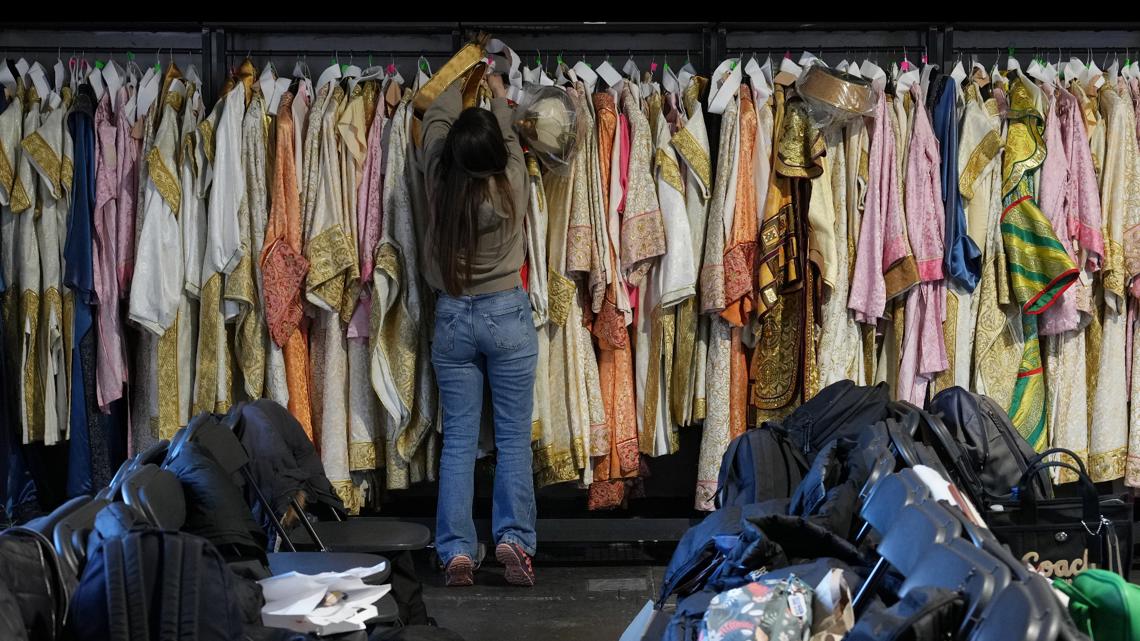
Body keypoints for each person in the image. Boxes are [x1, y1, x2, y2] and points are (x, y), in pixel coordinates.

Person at [421, 72, 538, 587]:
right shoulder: (513, 180)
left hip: (453, 317)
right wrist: (493, 86)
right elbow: (510, 131)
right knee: (512, 438)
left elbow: (435, 124)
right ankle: (513, 539)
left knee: (460, 442)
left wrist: (460, 75)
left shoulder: (438, 180)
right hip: (507, 312)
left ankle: (457, 552)